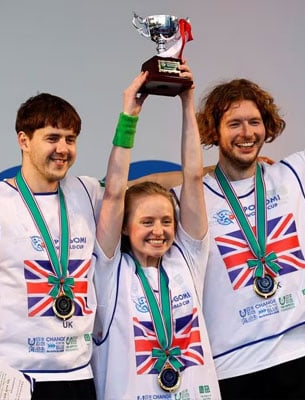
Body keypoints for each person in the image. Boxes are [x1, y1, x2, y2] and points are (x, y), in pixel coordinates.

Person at [178, 78, 305, 399]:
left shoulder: (294, 174)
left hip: (303, 354)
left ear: (267, 127)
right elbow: (126, 190)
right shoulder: (192, 199)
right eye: (234, 124)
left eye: (255, 122)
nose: (247, 133)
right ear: (214, 131)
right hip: (234, 366)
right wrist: (198, 173)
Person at [91, 65, 220, 399]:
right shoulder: (110, 271)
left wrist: (187, 103)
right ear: (124, 226)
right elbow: (114, 193)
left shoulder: (187, 260)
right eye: (147, 222)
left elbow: (192, 178)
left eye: (166, 221)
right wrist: (128, 118)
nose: (159, 231)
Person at [0, 94, 102, 399]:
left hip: (78, 375)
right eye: (52, 138)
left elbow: (144, 191)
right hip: (15, 379)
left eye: (70, 139)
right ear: (24, 141)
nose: (63, 149)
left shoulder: (86, 192)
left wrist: (215, 173)